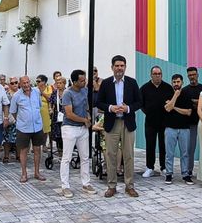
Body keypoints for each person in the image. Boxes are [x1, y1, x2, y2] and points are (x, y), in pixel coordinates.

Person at [96, 56, 142, 198]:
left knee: (128, 155)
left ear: (125, 67)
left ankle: (129, 186)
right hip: (112, 123)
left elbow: (139, 102)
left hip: (128, 123)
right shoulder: (106, 83)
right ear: (112, 67)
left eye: (122, 65)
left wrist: (128, 108)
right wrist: (110, 108)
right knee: (111, 155)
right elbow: (99, 102)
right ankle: (111, 186)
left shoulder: (132, 82)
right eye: (117, 65)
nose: (119, 68)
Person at [58, 70, 95, 198]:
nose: (84, 82)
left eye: (84, 80)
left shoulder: (85, 91)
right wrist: (84, 120)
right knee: (66, 158)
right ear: (74, 82)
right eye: (81, 80)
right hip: (70, 128)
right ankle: (65, 186)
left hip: (83, 128)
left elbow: (86, 107)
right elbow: (69, 114)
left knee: (85, 157)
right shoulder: (68, 93)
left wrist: (88, 116)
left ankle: (86, 183)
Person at [9, 76, 47, 183]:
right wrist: (21, 121)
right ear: (20, 84)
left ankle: (37, 172)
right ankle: (24, 174)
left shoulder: (36, 92)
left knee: (37, 150)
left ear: (30, 82)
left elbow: (39, 106)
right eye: (23, 83)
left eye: (27, 82)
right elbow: (13, 111)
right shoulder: (17, 96)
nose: (26, 85)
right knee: (24, 151)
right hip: (23, 128)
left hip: (37, 126)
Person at [139, 66, 173, 178]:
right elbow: (141, 104)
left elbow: (171, 103)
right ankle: (150, 167)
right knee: (150, 145)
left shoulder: (168, 88)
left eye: (159, 73)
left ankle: (163, 167)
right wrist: (148, 112)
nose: (157, 75)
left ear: (161, 75)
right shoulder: (144, 88)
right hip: (150, 122)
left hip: (164, 122)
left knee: (163, 145)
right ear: (151, 75)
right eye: (155, 73)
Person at [162, 75, 195, 185]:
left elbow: (189, 112)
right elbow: (167, 109)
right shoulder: (167, 93)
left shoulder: (186, 94)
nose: (176, 84)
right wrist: (175, 96)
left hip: (184, 128)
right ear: (171, 83)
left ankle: (185, 175)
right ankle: (169, 174)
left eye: (178, 82)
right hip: (170, 128)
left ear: (182, 82)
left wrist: (174, 107)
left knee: (185, 153)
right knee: (169, 153)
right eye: (174, 82)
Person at [182, 67, 202, 179]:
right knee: (190, 148)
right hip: (190, 123)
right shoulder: (185, 90)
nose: (192, 77)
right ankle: (189, 169)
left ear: (197, 75)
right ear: (187, 76)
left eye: (194, 74)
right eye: (190, 75)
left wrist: (196, 102)